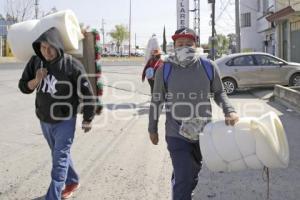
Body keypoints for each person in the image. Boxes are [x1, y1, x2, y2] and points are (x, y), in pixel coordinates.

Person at [148, 27, 239, 200]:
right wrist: (152, 128)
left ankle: (181, 183)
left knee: (193, 173)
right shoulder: (165, 69)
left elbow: (219, 92)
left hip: (203, 132)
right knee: (184, 179)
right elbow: (157, 100)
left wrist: (230, 111)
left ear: (195, 44)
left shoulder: (208, 66)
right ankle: (181, 188)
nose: (184, 47)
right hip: (176, 133)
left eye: (188, 43)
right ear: (174, 46)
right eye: (180, 44)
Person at [18, 27, 96, 200]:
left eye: (50, 47)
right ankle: (73, 180)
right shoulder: (35, 62)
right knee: (58, 153)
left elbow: (88, 93)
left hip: (65, 120)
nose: (46, 52)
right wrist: (36, 80)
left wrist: (88, 118)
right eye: (42, 47)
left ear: (57, 45)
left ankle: (52, 196)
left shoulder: (71, 64)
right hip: (44, 118)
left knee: (59, 159)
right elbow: (23, 87)